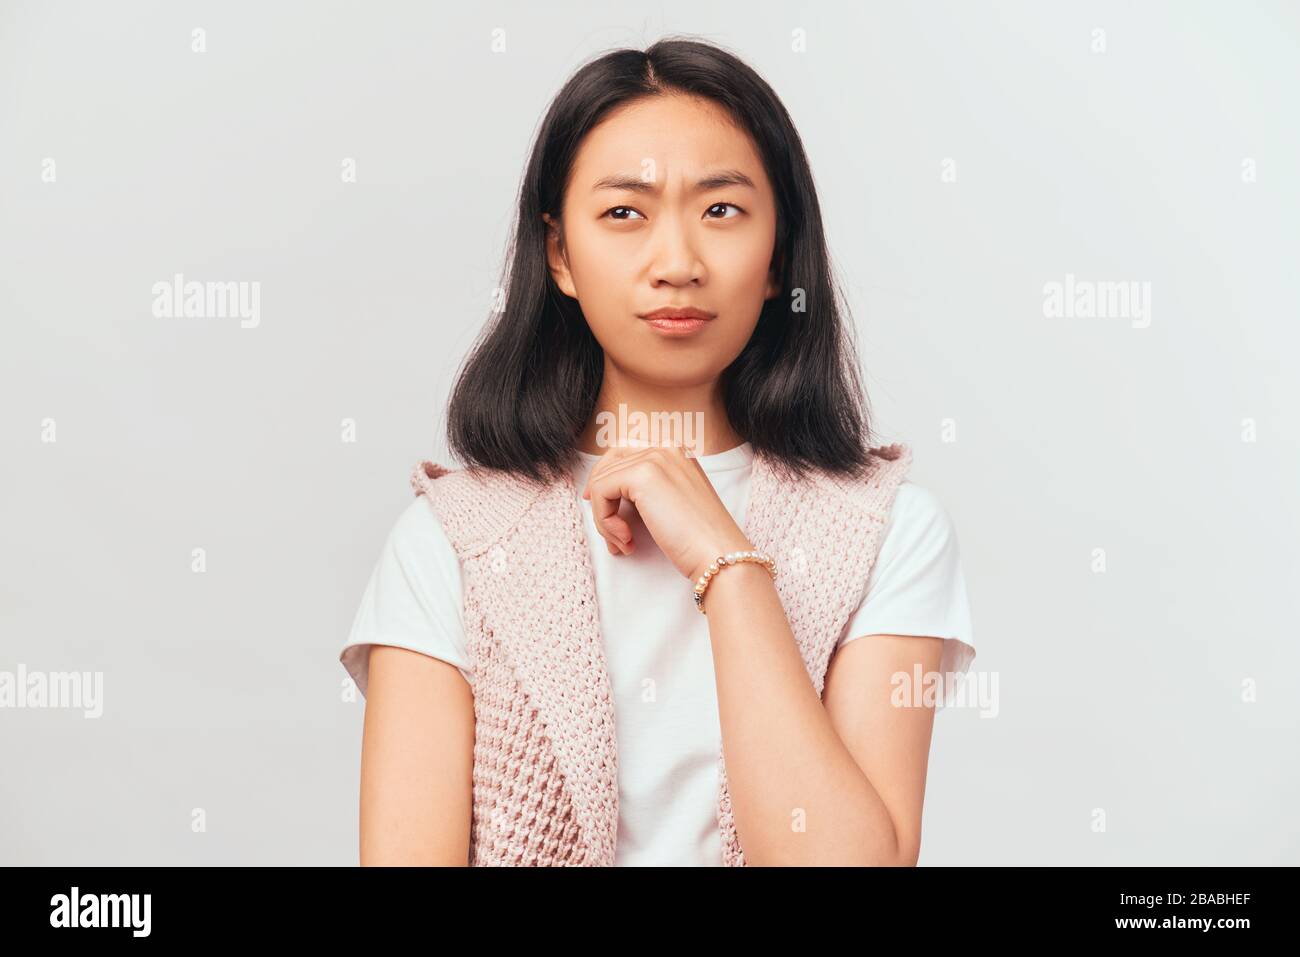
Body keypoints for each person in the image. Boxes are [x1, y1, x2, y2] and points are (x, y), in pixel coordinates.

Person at [339, 36, 976, 866]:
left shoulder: (886, 529)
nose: (676, 263)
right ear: (560, 254)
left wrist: (726, 563)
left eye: (721, 210)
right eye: (623, 213)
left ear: (778, 248)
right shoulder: (453, 543)